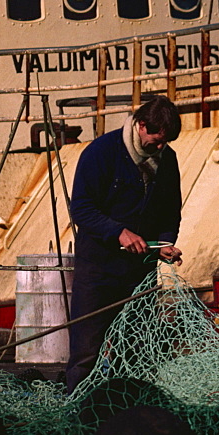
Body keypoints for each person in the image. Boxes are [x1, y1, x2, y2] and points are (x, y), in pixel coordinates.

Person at [65, 95, 183, 393]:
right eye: (156, 140)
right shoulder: (101, 153)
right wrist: (118, 232)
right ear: (141, 125)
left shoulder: (167, 159)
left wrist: (165, 245)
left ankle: (130, 416)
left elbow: (171, 211)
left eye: (165, 142)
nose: (161, 147)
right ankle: (78, 415)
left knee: (136, 351)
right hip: (97, 271)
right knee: (86, 354)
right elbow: (81, 207)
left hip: (139, 273)